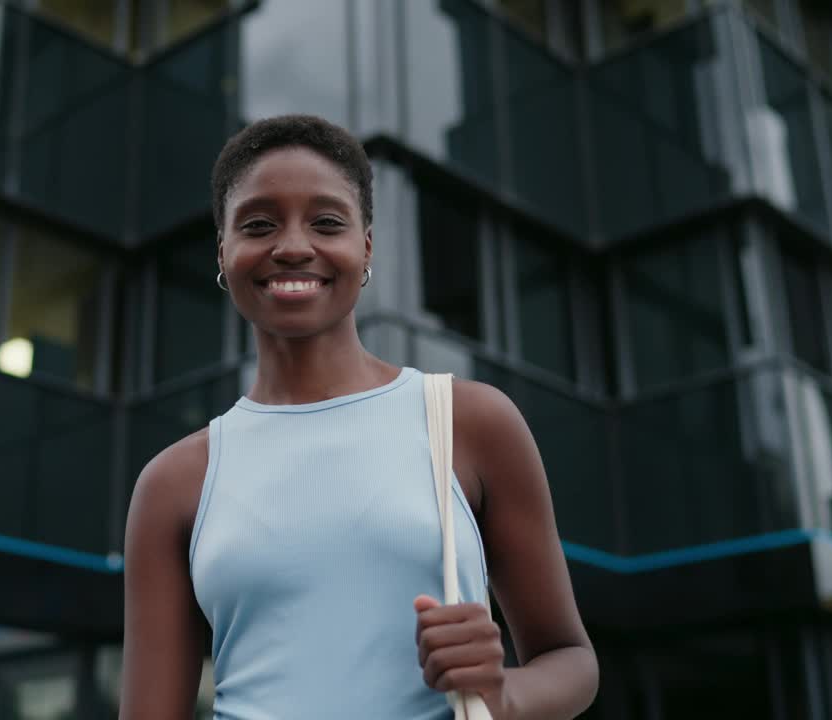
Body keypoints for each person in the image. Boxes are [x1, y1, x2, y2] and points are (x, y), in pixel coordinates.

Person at [121, 114, 598, 719]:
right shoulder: (173, 483)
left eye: (326, 222)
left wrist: (503, 695)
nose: (293, 246)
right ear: (224, 251)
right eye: (259, 224)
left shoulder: (468, 421)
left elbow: (571, 657)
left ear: (365, 246)